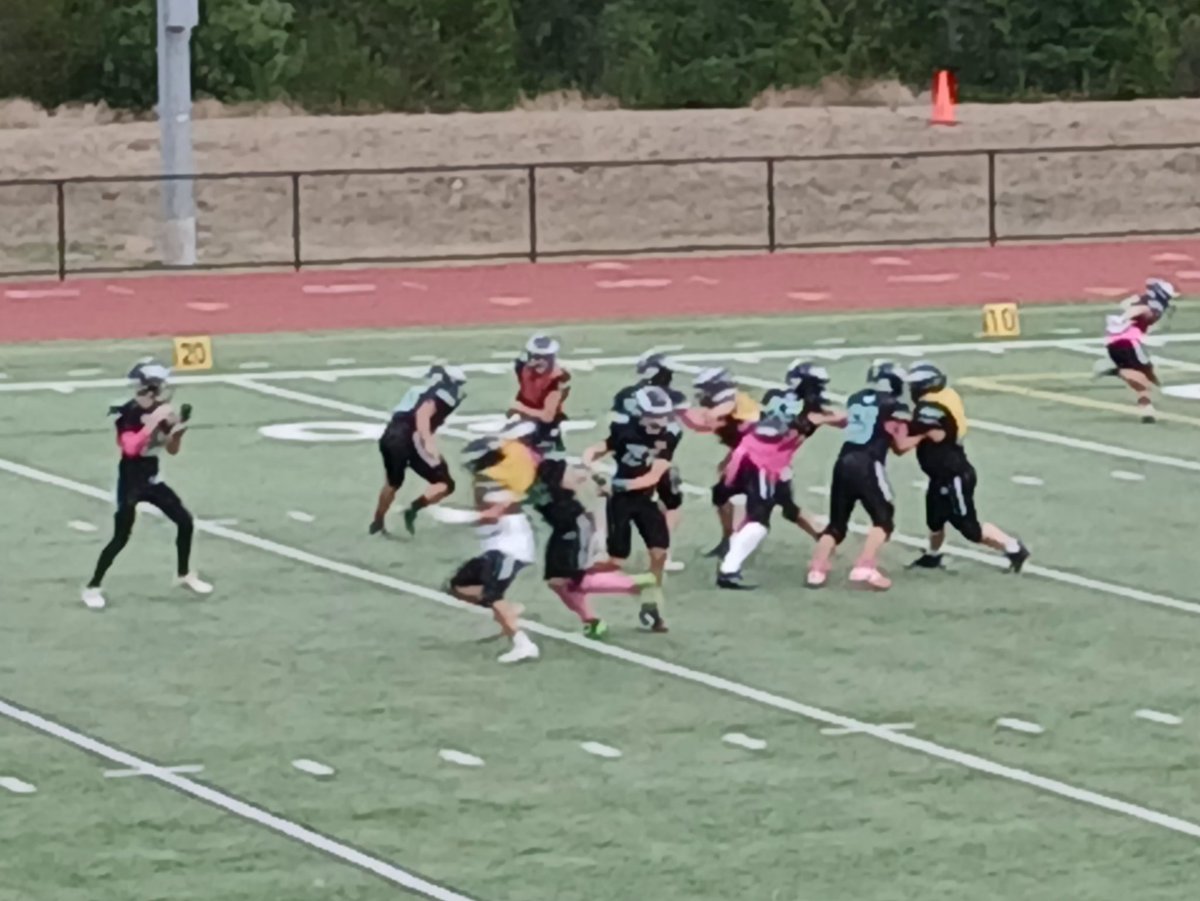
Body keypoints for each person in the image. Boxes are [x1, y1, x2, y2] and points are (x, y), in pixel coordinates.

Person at [82, 361, 211, 610]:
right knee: (121, 537)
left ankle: (184, 574)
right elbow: (130, 449)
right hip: (130, 481)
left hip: (152, 478)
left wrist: (177, 432)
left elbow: (171, 450)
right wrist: (152, 422)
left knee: (185, 521)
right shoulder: (127, 413)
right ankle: (93, 586)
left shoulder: (162, 411)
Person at [717, 361, 838, 589]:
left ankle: (822, 536)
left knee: (785, 503)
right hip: (763, 463)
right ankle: (728, 569)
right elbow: (840, 420)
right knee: (759, 520)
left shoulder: (774, 396)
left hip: (749, 454)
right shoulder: (814, 411)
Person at [901, 362, 1031, 573]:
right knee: (935, 520)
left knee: (969, 528)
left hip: (954, 475)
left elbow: (907, 442)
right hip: (941, 473)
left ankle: (1013, 547)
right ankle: (933, 555)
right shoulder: (945, 397)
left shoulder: (931, 409)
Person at [806, 361, 910, 591]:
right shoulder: (894, 406)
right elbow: (901, 446)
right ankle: (865, 565)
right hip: (868, 463)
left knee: (836, 524)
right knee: (884, 519)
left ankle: (817, 569)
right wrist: (921, 436)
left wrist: (826, 419)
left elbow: (851, 421)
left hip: (843, 461)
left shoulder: (857, 397)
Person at [582, 386, 677, 633]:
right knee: (616, 560)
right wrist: (589, 463)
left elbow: (652, 477)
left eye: (663, 415)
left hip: (644, 497)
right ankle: (579, 578)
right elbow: (598, 449)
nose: (661, 421)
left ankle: (651, 605)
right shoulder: (625, 429)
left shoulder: (668, 436)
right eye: (654, 415)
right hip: (621, 503)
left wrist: (615, 484)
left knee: (659, 553)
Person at [446, 435, 540, 664]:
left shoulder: (492, 482)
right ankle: (508, 613)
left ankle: (523, 643)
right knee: (459, 586)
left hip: (510, 548)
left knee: (492, 594)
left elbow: (493, 514)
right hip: (495, 547)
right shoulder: (491, 478)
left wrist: (461, 517)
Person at [611, 351, 690, 571]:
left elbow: (616, 429)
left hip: (630, 459)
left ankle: (609, 552)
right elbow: (690, 422)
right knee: (670, 503)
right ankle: (665, 553)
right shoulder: (670, 397)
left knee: (617, 505)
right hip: (657, 459)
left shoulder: (626, 394)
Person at [371, 364, 466, 535]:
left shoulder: (417, 391)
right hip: (410, 439)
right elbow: (422, 415)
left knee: (392, 482)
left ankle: (378, 521)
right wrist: (428, 443)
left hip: (390, 436)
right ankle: (413, 509)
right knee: (445, 483)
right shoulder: (435, 395)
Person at [684, 367, 761, 557]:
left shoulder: (735, 401)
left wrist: (682, 411)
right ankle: (729, 540)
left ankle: (823, 537)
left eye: (706, 389)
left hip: (763, 460)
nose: (703, 394)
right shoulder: (729, 405)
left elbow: (709, 420)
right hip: (746, 455)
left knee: (777, 507)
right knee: (721, 494)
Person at [1093, 277, 1177, 423]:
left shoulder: (1139, 300)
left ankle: (1147, 409)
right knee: (1144, 378)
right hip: (1128, 343)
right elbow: (1141, 310)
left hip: (1118, 342)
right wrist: (1125, 317)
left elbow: (1130, 308)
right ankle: (1114, 371)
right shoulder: (1151, 306)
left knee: (1149, 375)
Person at [510, 334, 570, 456]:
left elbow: (547, 417)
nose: (540, 361)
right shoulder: (522, 367)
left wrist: (520, 408)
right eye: (536, 356)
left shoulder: (555, 381)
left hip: (544, 430)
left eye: (545, 357)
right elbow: (526, 389)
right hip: (525, 423)